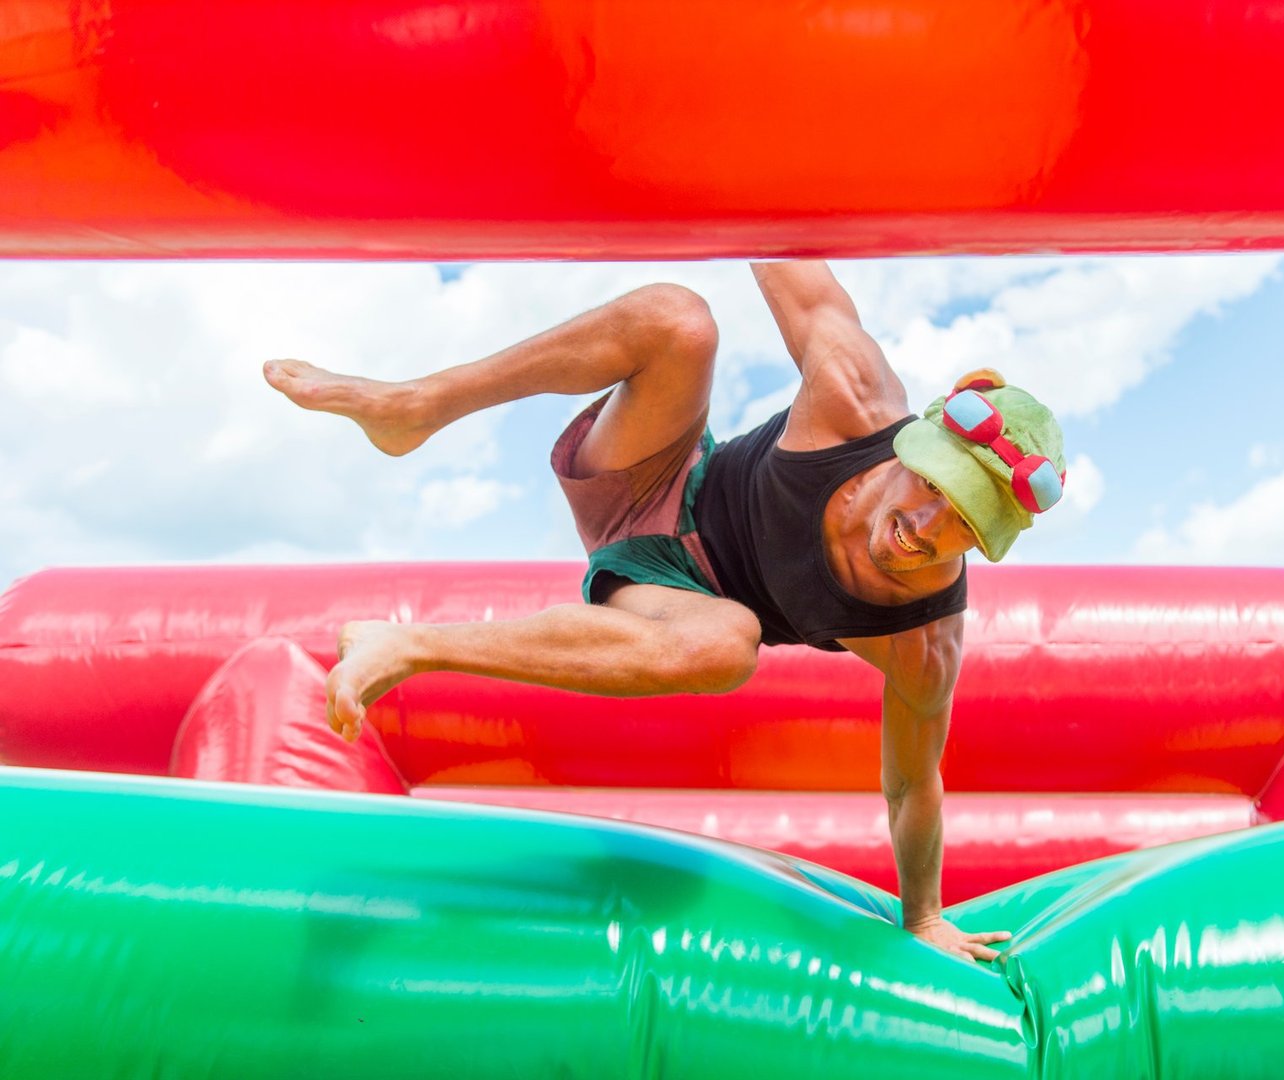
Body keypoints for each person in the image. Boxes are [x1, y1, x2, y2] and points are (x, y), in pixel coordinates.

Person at [263, 260, 1065, 962]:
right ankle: (417, 404)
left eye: (961, 524)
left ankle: (408, 646)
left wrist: (922, 916)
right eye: (934, 489)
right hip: (649, 473)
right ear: (911, 449)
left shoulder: (921, 636)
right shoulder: (854, 397)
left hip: (671, 596)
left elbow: (913, 783)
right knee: (678, 319)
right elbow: (778, 240)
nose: (925, 531)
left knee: (729, 644)